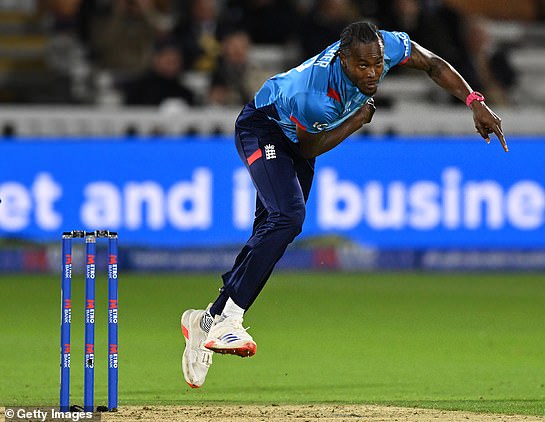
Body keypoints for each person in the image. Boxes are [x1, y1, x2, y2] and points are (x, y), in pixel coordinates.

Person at [180, 21, 507, 388]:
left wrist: (474, 102)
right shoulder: (316, 96)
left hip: (299, 135)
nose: (372, 74)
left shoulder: (383, 47)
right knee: (289, 217)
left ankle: (207, 319)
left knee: (271, 229)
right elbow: (308, 148)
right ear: (343, 59)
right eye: (362, 66)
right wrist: (355, 121)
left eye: (377, 64)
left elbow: (431, 63)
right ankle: (229, 319)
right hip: (264, 127)